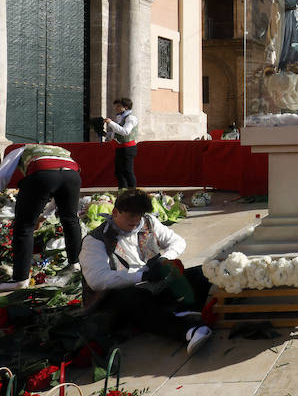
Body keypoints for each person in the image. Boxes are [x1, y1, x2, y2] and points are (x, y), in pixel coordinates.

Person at [80, 189, 213, 354]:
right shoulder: (95, 241)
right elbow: (97, 279)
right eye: (130, 215)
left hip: (152, 285)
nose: (136, 220)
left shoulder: (148, 222)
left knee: (201, 272)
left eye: (139, 215)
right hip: (115, 298)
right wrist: (141, 275)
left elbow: (177, 241)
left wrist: (165, 260)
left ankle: (182, 311)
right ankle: (188, 331)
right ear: (115, 212)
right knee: (132, 299)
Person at [0, 144, 82, 291]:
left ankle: (20, 280)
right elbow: (58, 190)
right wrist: (44, 217)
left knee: (24, 226)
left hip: (43, 174)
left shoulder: (21, 150)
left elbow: (3, 175)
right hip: (72, 174)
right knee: (70, 220)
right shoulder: (61, 152)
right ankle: (75, 264)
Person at [106, 97, 138, 188]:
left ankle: (132, 192)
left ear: (126, 107)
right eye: (116, 106)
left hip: (128, 149)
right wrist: (107, 135)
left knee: (128, 172)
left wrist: (111, 123)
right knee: (119, 172)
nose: (116, 108)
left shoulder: (130, 118)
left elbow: (125, 132)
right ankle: (122, 193)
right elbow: (117, 133)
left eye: (119, 106)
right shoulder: (120, 117)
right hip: (120, 148)